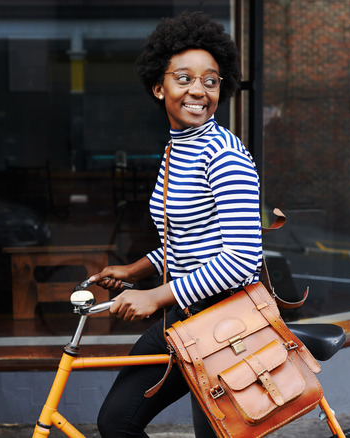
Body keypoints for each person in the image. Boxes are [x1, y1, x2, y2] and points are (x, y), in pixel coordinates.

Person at [90, 10, 263, 437]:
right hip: (185, 317)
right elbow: (188, 237)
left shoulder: (223, 155)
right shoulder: (178, 150)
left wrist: (156, 296)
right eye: (184, 78)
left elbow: (242, 259)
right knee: (116, 422)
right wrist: (136, 270)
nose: (198, 91)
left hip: (221, 324)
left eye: (211, 80)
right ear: (158, 85)